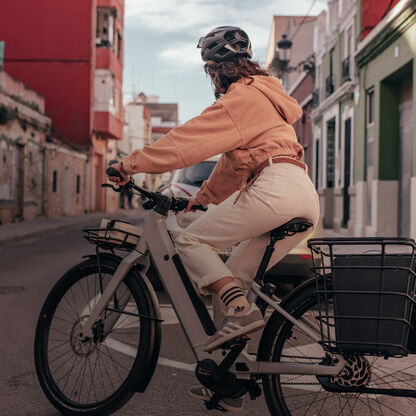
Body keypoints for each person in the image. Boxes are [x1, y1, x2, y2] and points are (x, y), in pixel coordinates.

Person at [107, 26, 320, 412]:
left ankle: (241, 311)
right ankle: (230, 378)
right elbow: (229, 165)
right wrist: (202, 199)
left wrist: (129, 164)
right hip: (302, 192)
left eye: (210, 71)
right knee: (233, 276)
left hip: (273, 188)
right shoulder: (268, 99)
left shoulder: (241, 98)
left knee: (190, 242)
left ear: (215, 69)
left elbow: (187, 141)